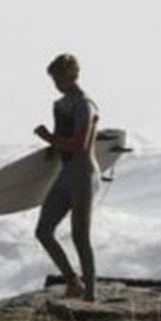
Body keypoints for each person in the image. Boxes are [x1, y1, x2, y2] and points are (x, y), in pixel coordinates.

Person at [34, 52, 100, 301]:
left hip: (83, 175)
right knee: (43, 231)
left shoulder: (86, 105)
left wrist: (47, 138)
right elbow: (62, 142)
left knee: (80, 237)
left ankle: (91, 296)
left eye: (60, 78)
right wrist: (50, 148)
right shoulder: (60, 105)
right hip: (65, 175)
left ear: (73, 75)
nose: (57, 84)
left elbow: (79, 145)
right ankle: (73, 281)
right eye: (54, 79)